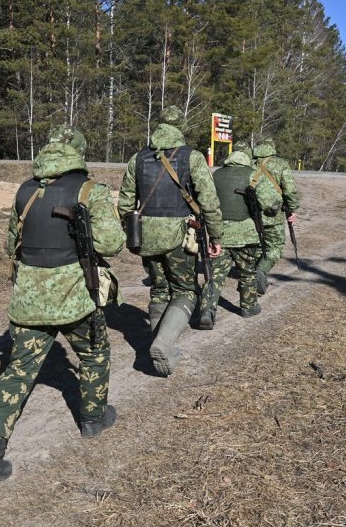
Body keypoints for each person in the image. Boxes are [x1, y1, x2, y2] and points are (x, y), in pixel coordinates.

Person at [0, 126, 125, 481]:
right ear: (79, 154)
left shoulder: (25, 191)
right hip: (75, 298)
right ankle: (93, 418)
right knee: (95, 354)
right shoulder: (90, 191)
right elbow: (112, 244)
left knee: (18, 371)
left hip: (28, 299)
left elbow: (12, 245)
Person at [118, 106, 222, 376]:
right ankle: (163, 344)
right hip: (179, 234)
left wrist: (132, 232)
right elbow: (209, 201)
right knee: (186, 290)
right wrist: (216, 235)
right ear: (181, 127)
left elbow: (126, 203)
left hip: (146, 235)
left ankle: (158, 345)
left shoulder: (138, 158)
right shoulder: (192, 157)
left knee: (159, 290)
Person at [198, 143, 282, 329]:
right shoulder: (253, 175)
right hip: (246, 235)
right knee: (247, 272)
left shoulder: (216, 175)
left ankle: (207, 310)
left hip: (219, 233)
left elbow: (205, 200)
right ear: (247, 158)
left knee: (215, 274)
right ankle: (248, 307)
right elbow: (271, 204)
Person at [251, 137, 300, 294]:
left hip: (252, 213)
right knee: (275, 247)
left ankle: (254, 274)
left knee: (259, 245)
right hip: (274, 215)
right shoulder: (281, 164)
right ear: (272, 148)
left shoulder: (249, 162)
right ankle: (261, 271)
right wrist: (292, 209)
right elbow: (289, 190)